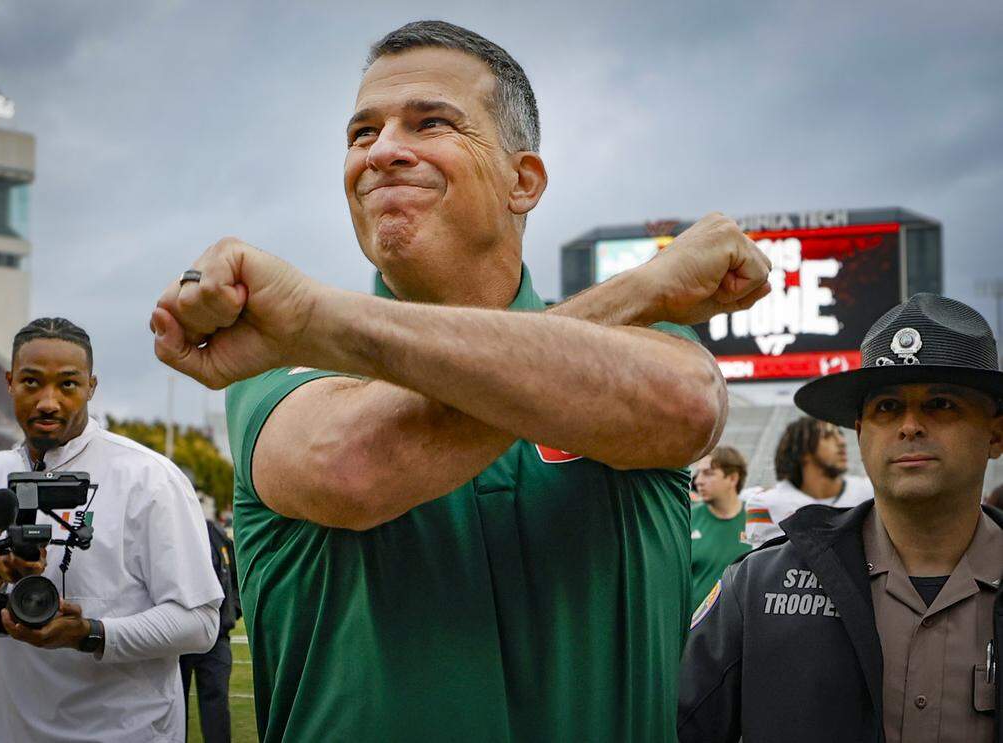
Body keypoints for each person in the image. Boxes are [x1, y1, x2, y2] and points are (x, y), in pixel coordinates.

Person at [152, 20, 771, 742]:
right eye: (362, 133)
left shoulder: (652, 342)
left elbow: (685, 404)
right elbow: (352, 465)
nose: (381, 151)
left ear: (523, 180)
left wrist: (319, 314)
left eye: (430, 122)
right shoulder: (280, 363)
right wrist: (639, 288)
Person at [679, 293, 1003, 742]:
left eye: (941, 404)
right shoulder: (758, 586)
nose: (910, 425)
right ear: (861, 433)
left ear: (996, 433)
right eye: (887, 407)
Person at [0, 318, 224, 743]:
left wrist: (92, 634)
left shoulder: (149, 477)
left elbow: (199, 623)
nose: (48, 401)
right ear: (10, 382)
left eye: (67, 385)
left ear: (91, 387)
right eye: (31, 382)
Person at [743, 416, 874, 548]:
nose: (841, 442)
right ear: (802, 449)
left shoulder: (869, 492)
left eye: (840, 435)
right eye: (827, 436)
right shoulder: (767, 504)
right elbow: (762, 564)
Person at [179, 518, 241, 743]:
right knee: (176, 706)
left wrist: (232, 610)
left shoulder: (215, 532)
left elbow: (236, 572)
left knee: (216, 704)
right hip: (179, 637)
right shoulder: (173, 530)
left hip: (217, 637)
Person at [689, 446, 751, 613]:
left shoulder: (754, 521)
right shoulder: (688, 518)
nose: (698, 481)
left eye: (708, 473)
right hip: (694, 629)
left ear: (732, 478)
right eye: (698, 474)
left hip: (739, 627)